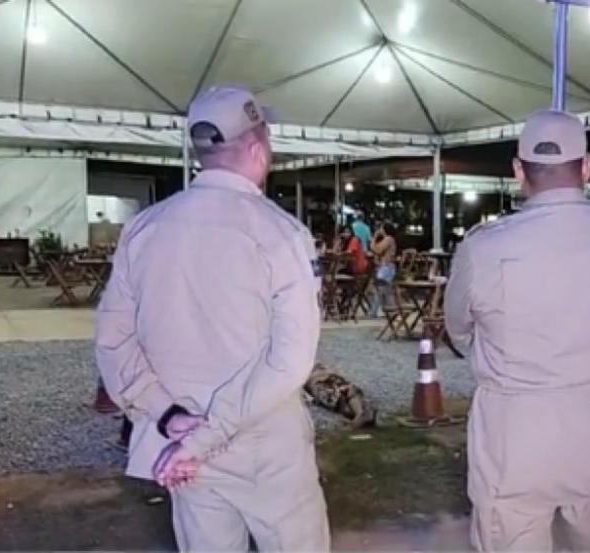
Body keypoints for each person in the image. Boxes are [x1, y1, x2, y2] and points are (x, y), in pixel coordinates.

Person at [95, 85, 329, 552]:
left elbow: (113, 341)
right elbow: (290, 360)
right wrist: (211, 433)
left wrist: (169, 416)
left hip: (181, 444)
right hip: (264, 449)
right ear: (260, 149)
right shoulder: (282, 234)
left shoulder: (144, 229)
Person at [444, 109, 590, 551]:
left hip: (515, 437)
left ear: (519, 170)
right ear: (588, 167)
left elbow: (458, 330)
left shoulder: (486, 246)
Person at [368, 222, 398, 318]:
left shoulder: (388, 239)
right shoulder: (389, 239)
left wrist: (373, 239)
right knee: (386, 290)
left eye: (381, 228)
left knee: (379, 289)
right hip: (387, 267)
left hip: (386, 267)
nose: (380, 230)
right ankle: (390, 310)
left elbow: (377, 249)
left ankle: (374, 312)